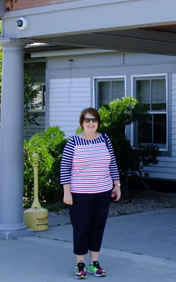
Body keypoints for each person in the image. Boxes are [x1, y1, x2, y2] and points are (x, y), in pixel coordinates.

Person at [60, 107, 121, 279]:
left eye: (94, 120)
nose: (91, 123)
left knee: (98, 226)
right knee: (81, 227)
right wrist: (67, 192)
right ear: (82, 123)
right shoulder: (73, 142)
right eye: (87, 120)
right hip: (80, 193)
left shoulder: (105, 139)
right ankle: (80, 263)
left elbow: (112, 163)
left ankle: (94, 263)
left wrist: (117, 185)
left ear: (98, 123)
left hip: (103, 191)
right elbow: (65, 168)